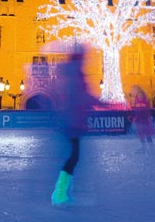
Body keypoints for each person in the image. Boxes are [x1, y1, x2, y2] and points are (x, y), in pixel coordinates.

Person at [51, 42, 98, 206]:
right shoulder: (76, 74)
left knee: (73, 156)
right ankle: (60, 192)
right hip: (73, 121)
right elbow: (81, 96)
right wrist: (102, 102)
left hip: (71, 120)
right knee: (73, 157)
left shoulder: (73, 73)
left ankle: (62, 191)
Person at [130, 85, 154, 153]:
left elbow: (147, 111)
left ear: (143, 96)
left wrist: (148, 118)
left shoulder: (146, 102)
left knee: (147, 134)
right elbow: (135, 111)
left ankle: (151, 147)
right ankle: (143, 147)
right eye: (139, 95)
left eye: (141, 95)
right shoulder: (136, 102)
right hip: (139, 120)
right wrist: (135, 117)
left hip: (145, 120)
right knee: (141, 134)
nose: (140, 96)